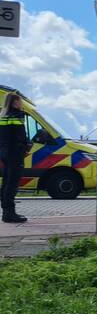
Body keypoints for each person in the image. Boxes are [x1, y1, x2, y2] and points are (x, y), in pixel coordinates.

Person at [0, 93, 31, 223]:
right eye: (20, 101)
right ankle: (10, 214)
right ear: (14, 103)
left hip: (5, 153)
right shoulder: (18, 116)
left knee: (6, 182)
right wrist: (26, 146)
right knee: (12, 183)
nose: (21, 104)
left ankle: (6, 212)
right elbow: (21, 137)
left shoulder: (3, 116)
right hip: (15, 154)